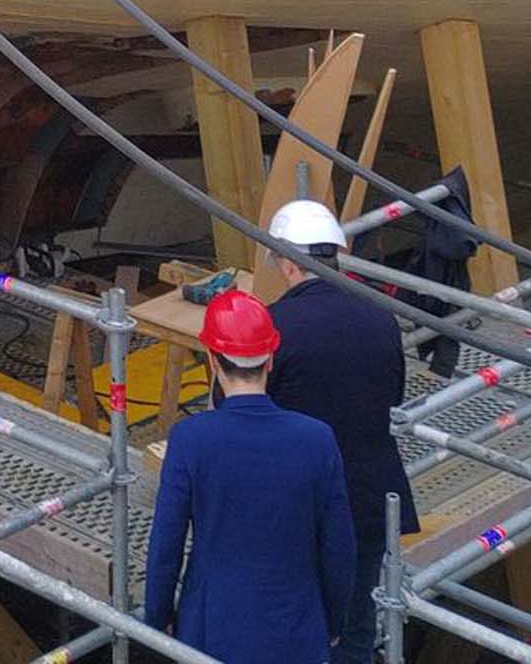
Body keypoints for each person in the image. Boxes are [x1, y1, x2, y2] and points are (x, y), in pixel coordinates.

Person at [144, 288, 356, 664]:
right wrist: (332, 623)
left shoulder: (192, 439)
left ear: (212, 360)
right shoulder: (317, 439)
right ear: (270, 360)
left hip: (212, 632)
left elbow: (166, 546)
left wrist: (156, 621)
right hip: (298, 632)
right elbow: (339, 548)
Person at [267, 197, 418, 664]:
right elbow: (393, 395)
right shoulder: (380, 319)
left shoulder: (274, 325)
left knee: (294, 624)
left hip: (302, 502)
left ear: (288, 263)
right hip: (371, 496)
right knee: (355, 629)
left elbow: (243, 407)